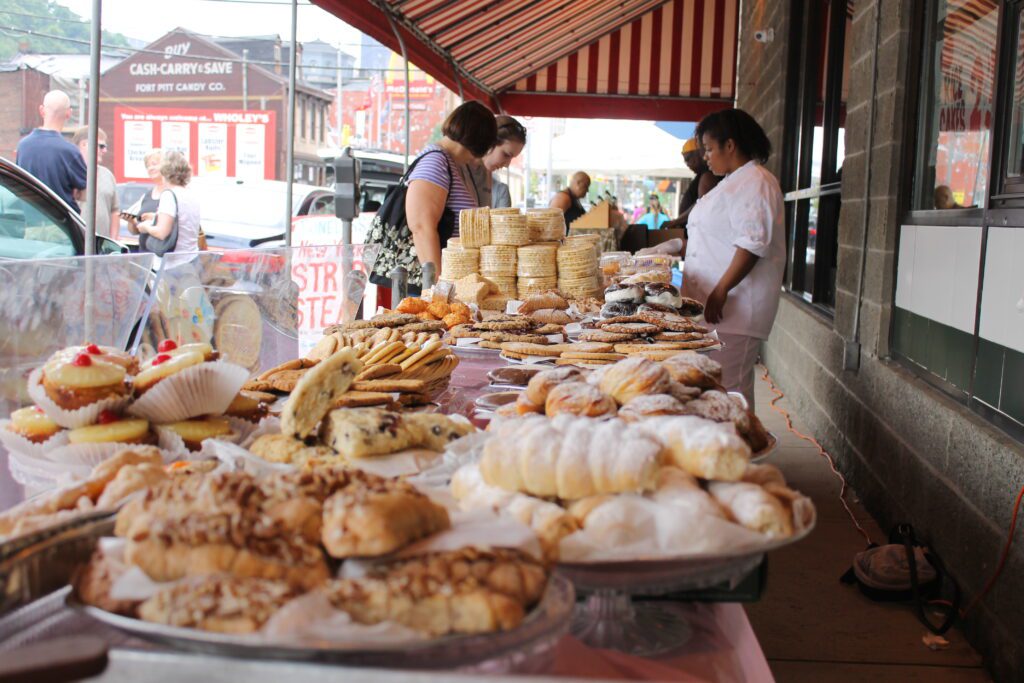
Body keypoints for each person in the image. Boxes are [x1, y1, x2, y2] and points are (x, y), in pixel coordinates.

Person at [683, 108, 785, 407]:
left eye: (710, 149)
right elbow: (713, 235)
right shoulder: (731, 181)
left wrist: (721, 288)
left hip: (736, 305)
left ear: (731, 145)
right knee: (714, 388)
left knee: (729, 391)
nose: (706, 157)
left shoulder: (757, 182)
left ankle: (740, 450)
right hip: (716, 304)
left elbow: (753, 243)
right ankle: (723, 447)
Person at [372, 100, 496, 305]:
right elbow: (421, 227)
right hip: (427, 289)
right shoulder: (436, 161)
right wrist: (438, 290)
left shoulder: (450, 163)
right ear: (482, 139)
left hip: (441, 286)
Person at [15, 90, 87, 210]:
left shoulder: (23, 146)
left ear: (42, 110)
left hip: (31, 223)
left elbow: (18, 185)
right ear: (69, 113)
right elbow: (86, 193)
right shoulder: (70, 152)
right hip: (62, 225)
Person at [131, 151, 200, 254]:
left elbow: (162, 233)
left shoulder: (169, 195)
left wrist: (146, 228)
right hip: (190, 257)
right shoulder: (189, 193)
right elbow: (181, 222)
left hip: (170, 263)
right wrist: (155, 217)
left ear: (165, 172)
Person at [465, 115, 526, 209]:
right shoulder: (455, 169)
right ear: (489, 141)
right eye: (506, 154)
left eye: (511, 158)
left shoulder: (486, 175)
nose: (507, 165)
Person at [663, 137, 720, 233]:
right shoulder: (702, 176)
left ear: (700, 153)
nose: (687, 164)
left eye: (688, 159)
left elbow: (701, 205)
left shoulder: (707, 176)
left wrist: (676, 221)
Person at [71, 126, 119, 239]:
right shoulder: (69, 172)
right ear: (84, 144)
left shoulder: (108, 175)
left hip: (101, 246)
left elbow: (115, 210)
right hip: (75, 242)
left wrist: (112, 240)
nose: (104, 151)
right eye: (101, 146)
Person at [121, 149, 167, 239]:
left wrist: (154, 218)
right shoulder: (146, 196)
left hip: (164, 250)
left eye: (154, 164)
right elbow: (135, 231)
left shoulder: (173, 193)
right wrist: (132, 221)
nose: (150, 168)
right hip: (145, 250)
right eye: (148, 166)